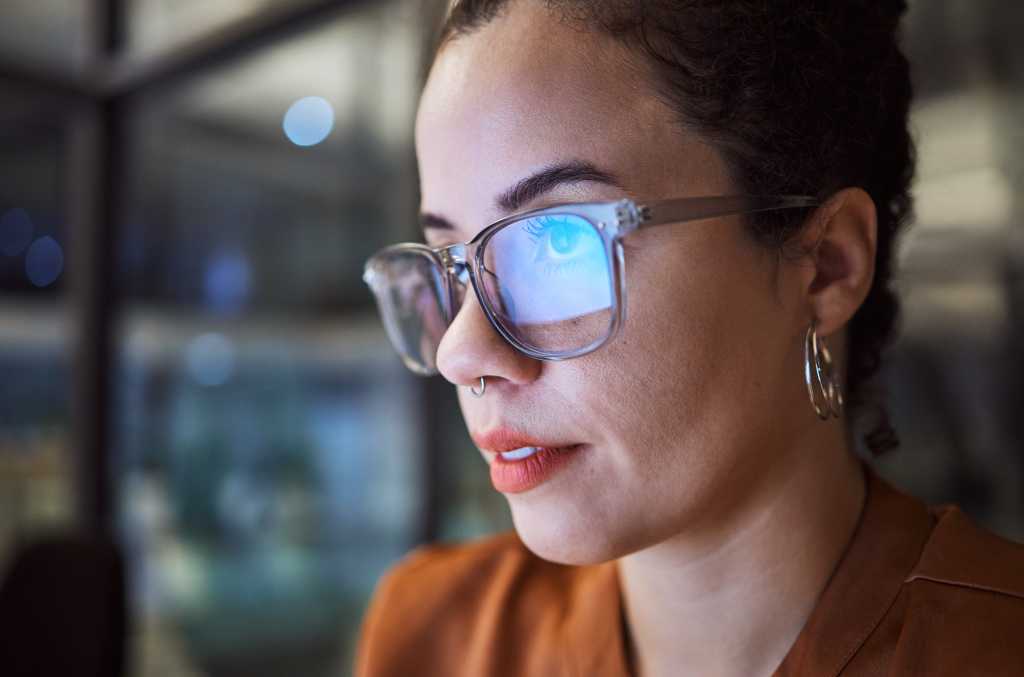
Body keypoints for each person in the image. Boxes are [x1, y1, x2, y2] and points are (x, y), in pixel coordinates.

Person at [356, 1, 1024, 675]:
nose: (461, 353)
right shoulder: (436, 635)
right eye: (452, 261)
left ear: (825, 267)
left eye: (557, 243)